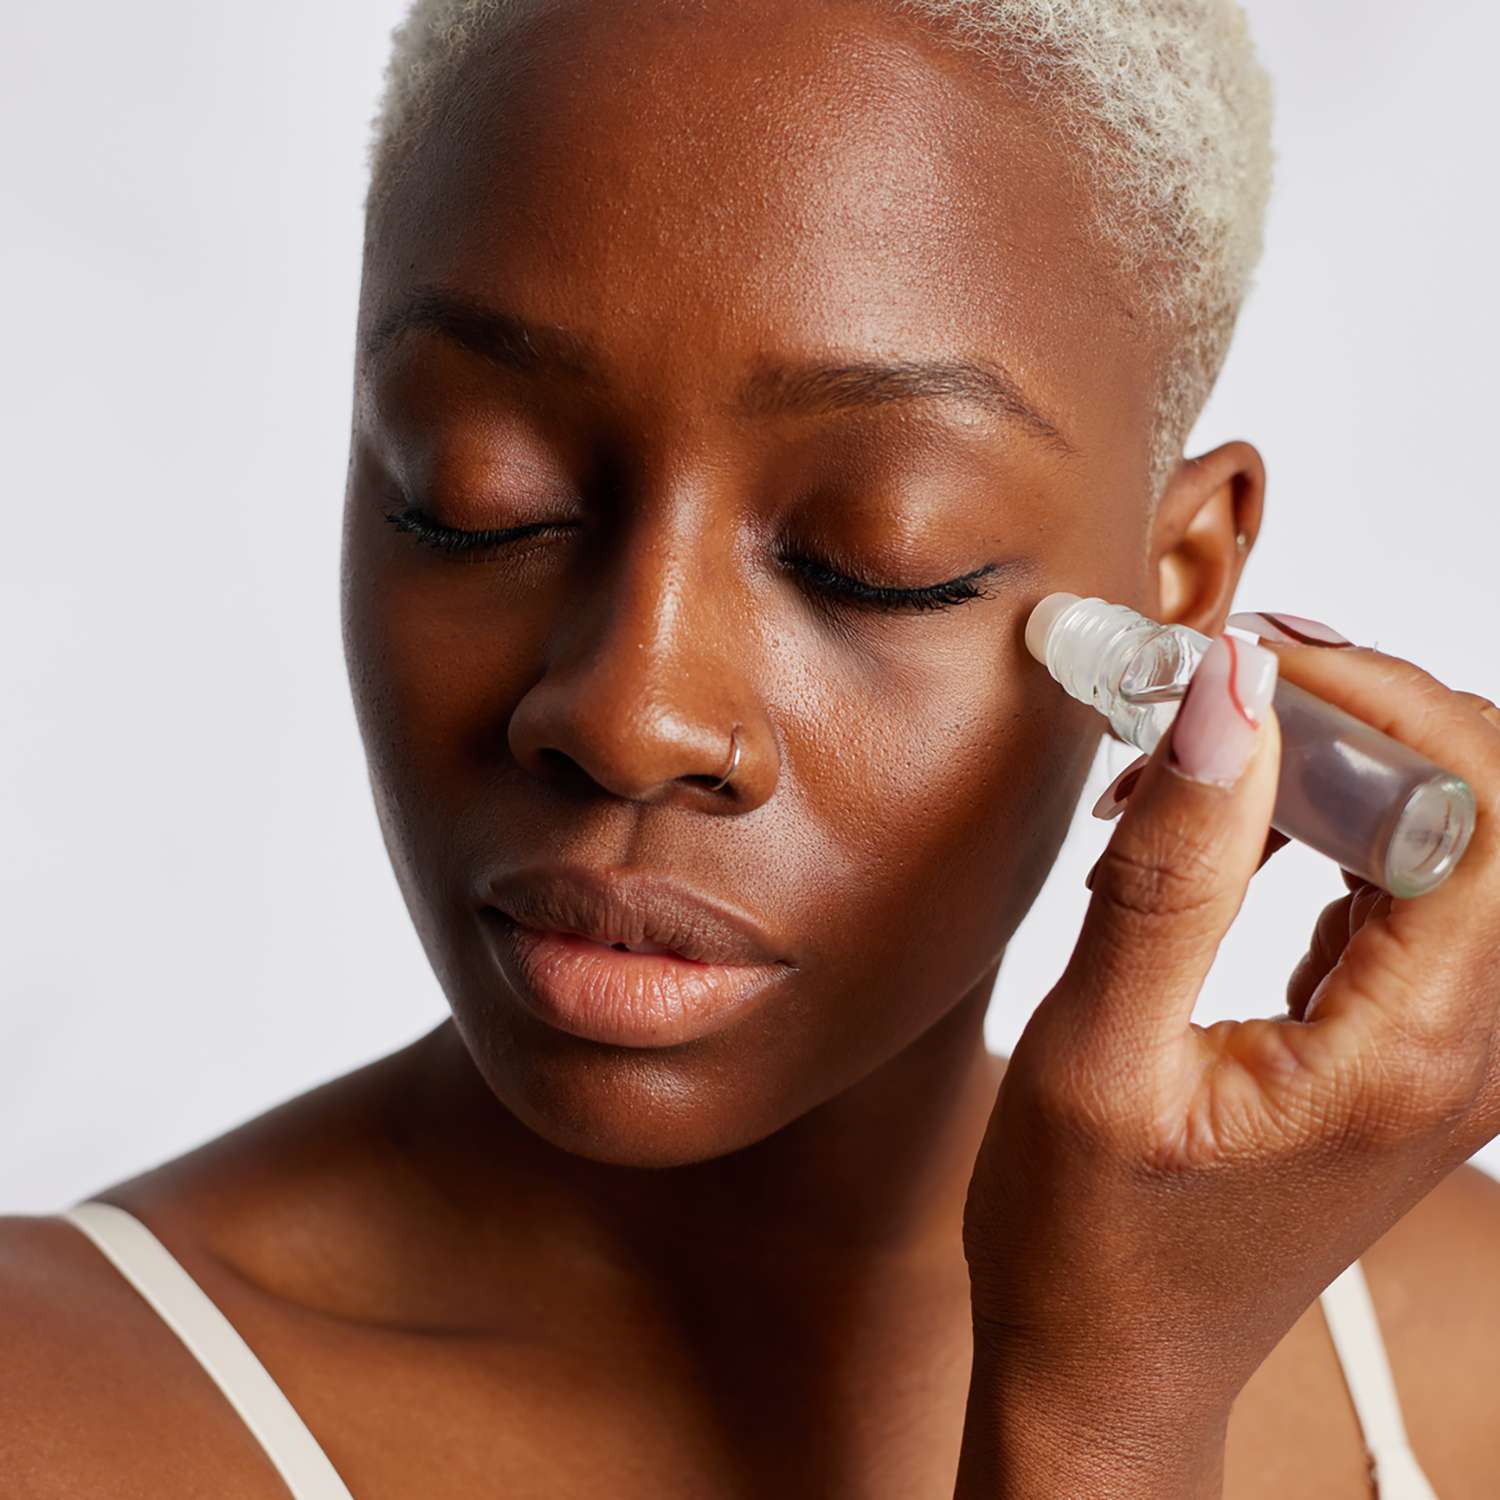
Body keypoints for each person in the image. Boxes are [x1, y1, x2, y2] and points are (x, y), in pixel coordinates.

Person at [4, 1, 1498, 1495]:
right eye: (479, 495)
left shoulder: (1469, 1351)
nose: (629, 714)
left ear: (1172, 595)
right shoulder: (51, 1415)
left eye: (878, 558)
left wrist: (1124, 1375)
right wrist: (1104, 1423)